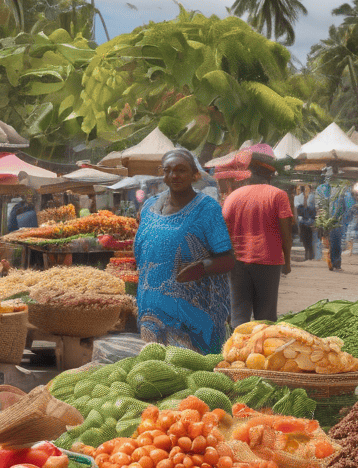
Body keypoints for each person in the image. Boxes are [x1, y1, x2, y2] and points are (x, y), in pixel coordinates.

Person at [134, 147, 234, 352]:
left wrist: (202, 267)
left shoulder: (207, 209)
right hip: (150, 313)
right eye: (168, 170)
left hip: (194, 319)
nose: (173, 175)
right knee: (157, 373)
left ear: (194, 175)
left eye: (181, 170)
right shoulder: (150, 207)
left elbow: (229, 260)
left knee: (195, 375)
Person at [222, 144, 293, 326]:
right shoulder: (278, 195)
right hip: (268, 262)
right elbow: (286, 231)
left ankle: (235, 352)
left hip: (237, 262)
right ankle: (260, 352)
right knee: (266, 317)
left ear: (248, 173)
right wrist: (288, 261)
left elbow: (224, 231)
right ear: (270, 175)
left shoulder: (233, 196)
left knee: (238, 315)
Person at [315, 169, 350, 271]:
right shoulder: (321, 189)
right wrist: (321, 218)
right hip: (324, 220)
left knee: (336, 242)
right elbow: (318, 205)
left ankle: (336, 263)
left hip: (337, 221)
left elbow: (345, 205)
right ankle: (332, 262)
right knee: (328, 243)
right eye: (329, 177)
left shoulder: (341, 189)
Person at [295, 184, 316, 261]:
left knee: (309, 240)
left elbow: (314, 211)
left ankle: (310, 256)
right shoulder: (298, 199)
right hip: (303, 223)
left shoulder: (312, 198)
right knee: (305, 240)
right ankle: (308, 256)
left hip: (309, 222)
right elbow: (298, 211)